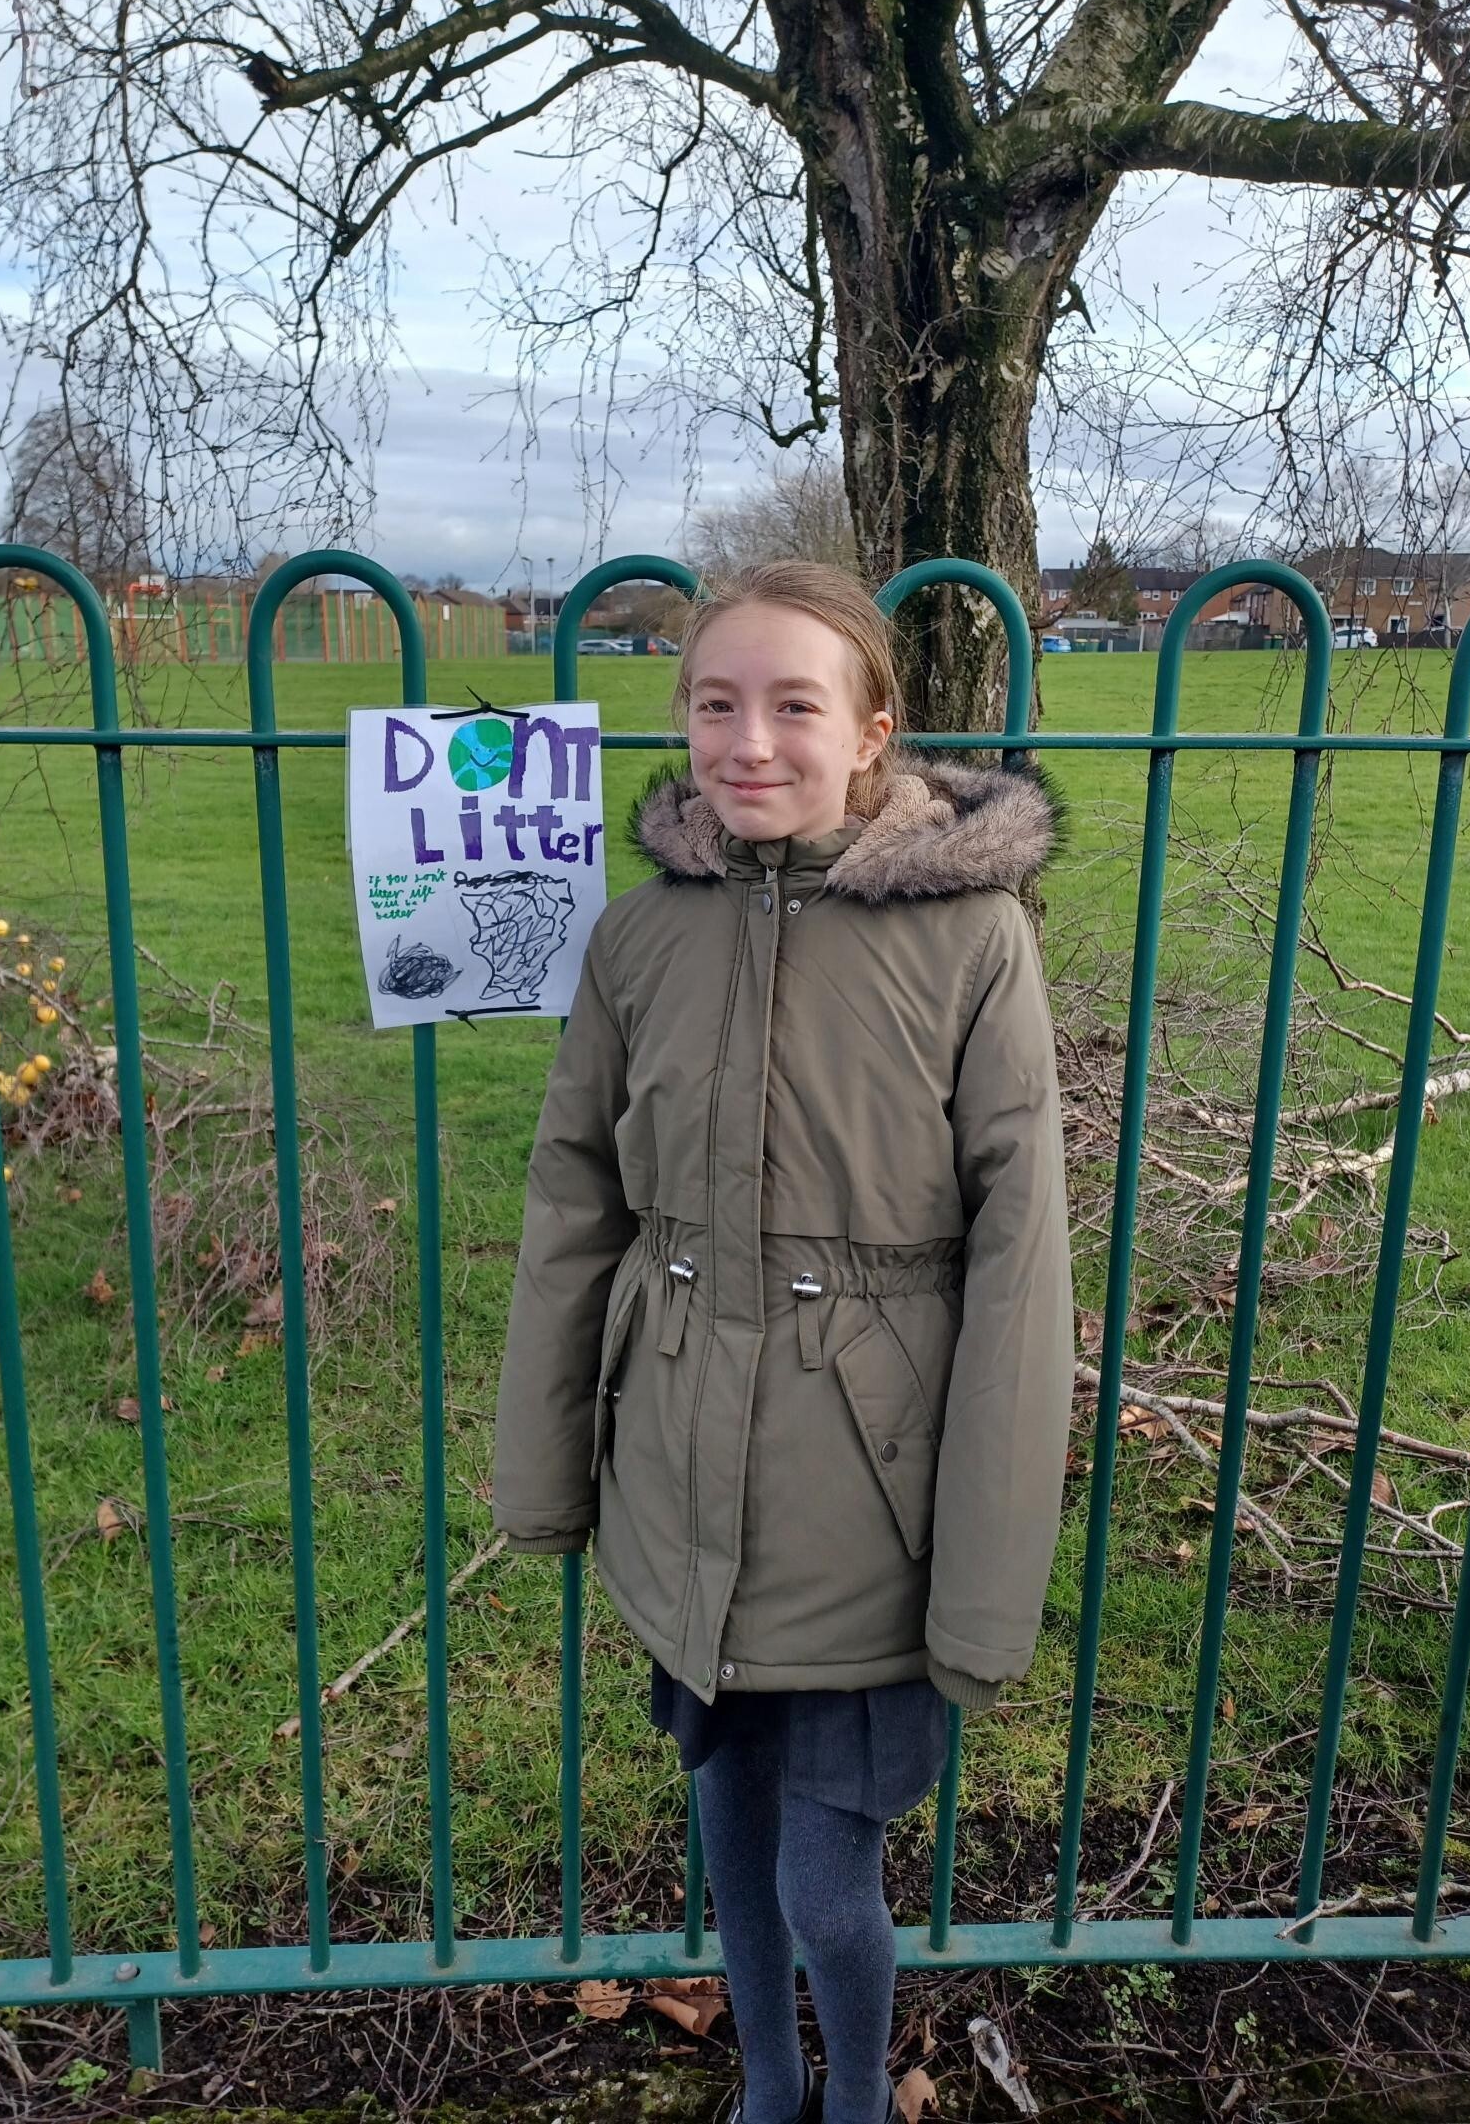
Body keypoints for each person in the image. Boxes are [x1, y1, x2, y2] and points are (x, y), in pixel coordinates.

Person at [492, 561, 1074, 2124]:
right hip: (682, 1475)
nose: (748, 740)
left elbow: (1024, 1261)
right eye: (715, 702)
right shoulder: (637, 942)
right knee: (729, 1841)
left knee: (829, 1882)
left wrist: (986, 1571)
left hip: (867, 1507)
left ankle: (861, 2105)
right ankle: (764, 2090)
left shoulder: (971, 941)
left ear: (874, 727)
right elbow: (574, 1201)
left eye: (794, 703)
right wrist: (550, 1467)